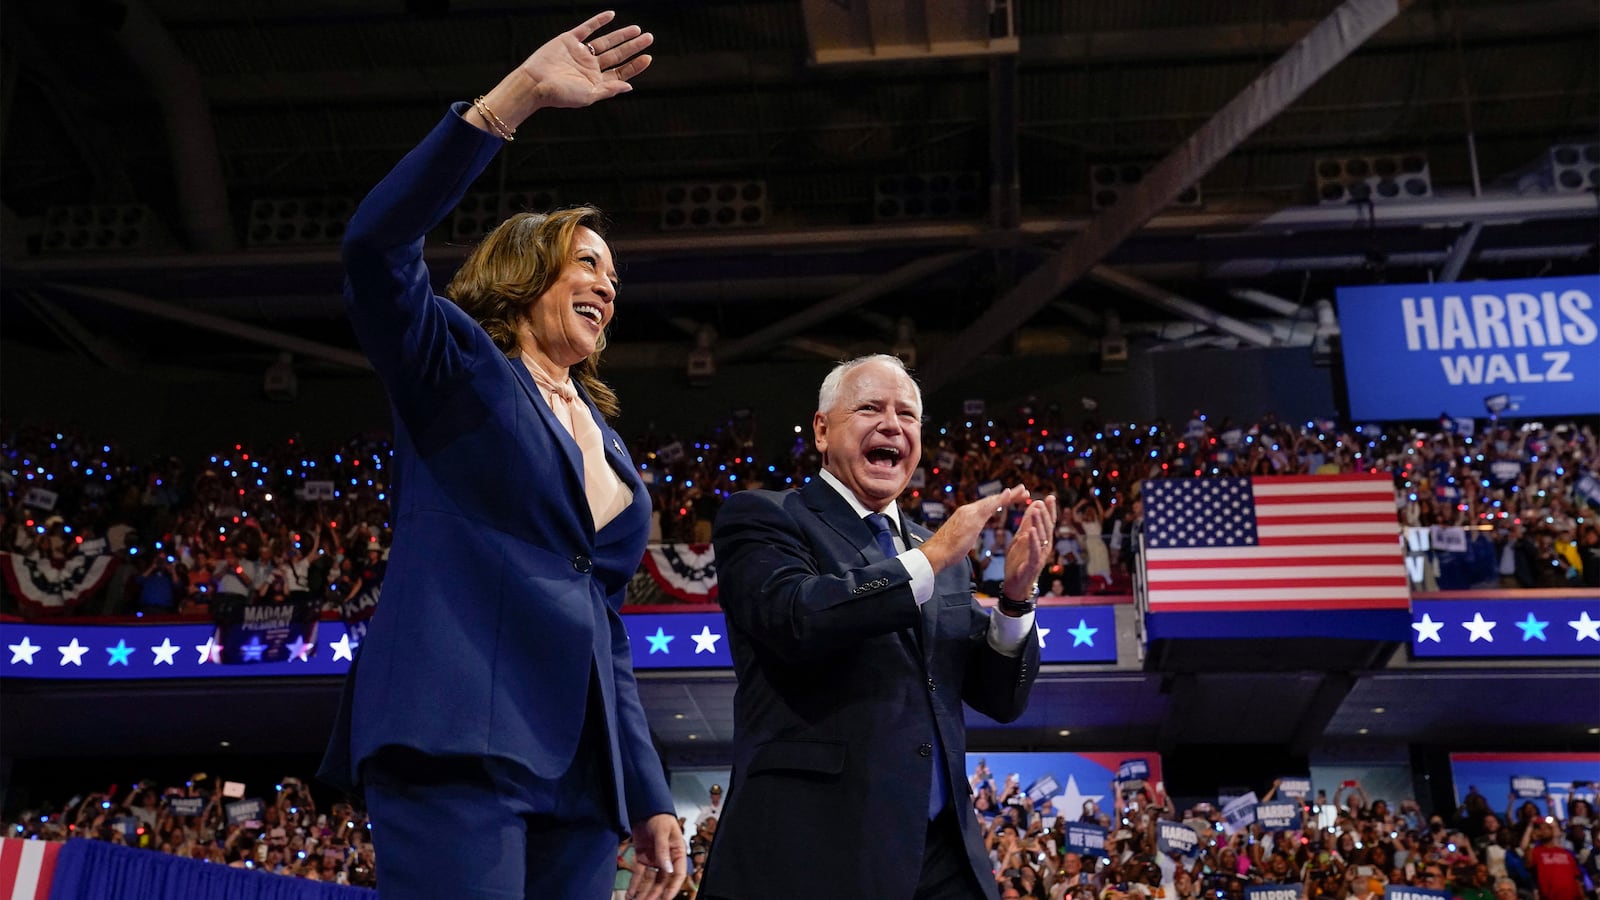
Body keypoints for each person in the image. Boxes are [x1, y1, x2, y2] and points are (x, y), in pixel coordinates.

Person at [316, 12, 684, 900]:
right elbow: (374, 247)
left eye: (614, 277)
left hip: (580, 774)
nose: (606, 284)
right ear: (525, 272)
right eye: (586, 265)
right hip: (460, 736)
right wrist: (510, 101)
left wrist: (647, 791)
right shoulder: (454, 366)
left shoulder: (611, 444)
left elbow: (606, 624)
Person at [700, 354, 1057, 899]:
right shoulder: (765, 516)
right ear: (822, 429)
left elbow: (998, 698)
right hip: (814, 850)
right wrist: (933, 557)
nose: (893, 425)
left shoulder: (940, 553)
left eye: (908, 415)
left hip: (942, 854)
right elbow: (798, 618)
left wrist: (1015, 596)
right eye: (870, 407)